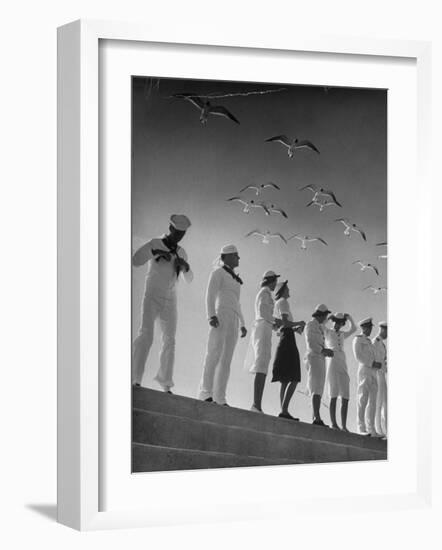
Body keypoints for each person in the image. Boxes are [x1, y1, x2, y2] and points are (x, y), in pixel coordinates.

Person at [131, 214, 192, 392]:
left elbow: (189, 279)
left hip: (171, 300)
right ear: (171, 228)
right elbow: (135, 261)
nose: (179, 236)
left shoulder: (182, 252)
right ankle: (135, 378)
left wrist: (185, 266)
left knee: (170, 340)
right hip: (152, 296)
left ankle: (166, 383)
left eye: (182, 234)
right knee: (146, 335)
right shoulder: (155, 243)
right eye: (177, 232)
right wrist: (155, 252)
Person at [198, 245, 247, 405]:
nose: (238, 258)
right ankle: (206, 393)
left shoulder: (235, 279)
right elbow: (210, 294)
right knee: (214, 353)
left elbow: (237, 303)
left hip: (233, 318)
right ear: (226, 257)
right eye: (236, 255)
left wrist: (242, 323)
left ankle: (220, 397)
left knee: (226, 360)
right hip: (221, 315)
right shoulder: (218, 273)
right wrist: (210, 315)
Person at [271, 281, 306, 420]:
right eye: (287, 288)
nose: (289, 289)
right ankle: (284, 410)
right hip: (288, 339)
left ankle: (284, 410)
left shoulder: (279, 302)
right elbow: (285, 323)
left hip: (285, 337)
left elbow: (281, 325)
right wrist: (299, 323)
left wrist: (294, 328)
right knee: (294, 376)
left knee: (285, 379)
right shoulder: (284, 301)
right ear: (283, 290)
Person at [248, 270, 282, 413]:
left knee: (263, 365)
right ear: (270, 280)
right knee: (261, 365)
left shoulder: (267, 293)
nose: (276, 283)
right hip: (262, 329)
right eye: (274, 280)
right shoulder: (264, 293)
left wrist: (274, 324)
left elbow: (266, 315)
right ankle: (256, 405)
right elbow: (263, 313)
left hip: (265, 329)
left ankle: (257, 404)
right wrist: (277, 320)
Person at [324, 312, 357, 431]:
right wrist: (329, 318)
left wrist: (349, 318)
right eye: (335, 322)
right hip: (332, 361)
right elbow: (321, 326)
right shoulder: (328, 332)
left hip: (342, 362)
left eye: (340, 322)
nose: (337, 324)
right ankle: (334, 423)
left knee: (345, 395)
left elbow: (354, 328)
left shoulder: (342, 334)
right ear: (333, 322)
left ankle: (344, 425)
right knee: (333, 392)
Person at [352, 317, 383, 436]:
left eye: (371, 328)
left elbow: (373, 356)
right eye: (369, 327)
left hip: (373, 372)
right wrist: (371, 363)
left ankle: (371, 429)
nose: (370, 330)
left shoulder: (369, 341)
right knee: (362, 399)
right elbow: (358, 356)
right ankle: (361, 428)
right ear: (363, 327)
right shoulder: (358, 339)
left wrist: (377, 363)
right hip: (364, 370)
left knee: (372, 401)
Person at [304, 304, 333, 426]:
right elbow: (311, 343)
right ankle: (317, 417)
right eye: (325, 315)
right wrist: (323, 350)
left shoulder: (320, 326)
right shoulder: (311, 325)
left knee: (319, 388)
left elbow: (319, 342)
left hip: (320, 359)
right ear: (320, 315)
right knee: (315, 387)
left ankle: (316, 416)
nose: (326, 317)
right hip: (314, 357)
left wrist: (325, 350)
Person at [373, 321, 388, 438]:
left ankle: (386, 430)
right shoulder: (376, 342)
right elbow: (375, 360)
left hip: (382, 374)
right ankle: (378, 429)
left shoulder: (382, 344)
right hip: (377, 374)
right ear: (383, 329)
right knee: (378, 403)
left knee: (385, 403)